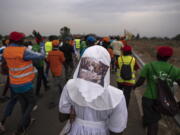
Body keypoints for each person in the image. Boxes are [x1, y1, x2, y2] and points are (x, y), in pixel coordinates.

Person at [59, 45, 127, 135]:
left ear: (83, 62)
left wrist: (72, 113)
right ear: (107, 66)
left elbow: (62, 117)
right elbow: (116, 130)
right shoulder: (116, 96)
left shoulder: (70, 86)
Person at [1, 31, 45, 135]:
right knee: (32, 102)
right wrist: (42, 45)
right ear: (18, 40)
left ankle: (27, 122)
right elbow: (41, 56)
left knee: (24, 104)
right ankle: (19, 128)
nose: (23, 40)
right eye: (22, 39)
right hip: (25, 83)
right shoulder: (23, 51)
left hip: (14, 83)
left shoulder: (6, 50)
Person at [134, 46, 180, 135]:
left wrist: (134, 86)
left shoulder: (149, 66)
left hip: (148, 99)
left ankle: (147, 124)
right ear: (168, 57)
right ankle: (147, 121)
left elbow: (140, 81)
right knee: (154, 119)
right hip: (163, 102)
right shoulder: (175, 70)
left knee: (153, 124)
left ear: (157, 55)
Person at [47, 40, 65, 109]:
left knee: (58, 83)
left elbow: (48, 60)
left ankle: (62, 93)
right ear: (58, 45)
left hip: (52, 71)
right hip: (59, 71)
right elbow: (63, 60)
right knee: (55, 86)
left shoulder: (49, 53)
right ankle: (52, 102)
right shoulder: (60, 53)